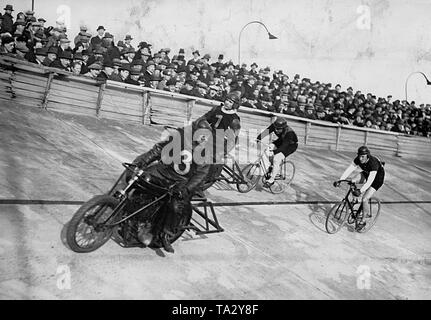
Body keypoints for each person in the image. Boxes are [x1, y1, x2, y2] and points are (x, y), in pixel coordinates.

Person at [130, 119, 213, 253]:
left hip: (181, 181)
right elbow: (158, 150)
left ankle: (165, 234)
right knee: (137, 178)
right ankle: (126, 207)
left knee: (175, 206)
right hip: (163, 171)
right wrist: (142, 161)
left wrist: (186, 189)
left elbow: (201, 175)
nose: (203, 137)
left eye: (206, 135)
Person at [334, 146, 385, 231]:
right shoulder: (358, 159)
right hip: (367, 173)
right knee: (352, 180)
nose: (360, 159)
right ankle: (355, 200)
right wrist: (340, 180)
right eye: (359, 156)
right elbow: (349, 169)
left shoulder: (373, 163)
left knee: (365, 199)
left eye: (363, 157)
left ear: (367, 156)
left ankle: (363, 221)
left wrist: (361, 191)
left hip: (377, 179)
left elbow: (370, 181)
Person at [256, 117, 298, 187]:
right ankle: (270, 167)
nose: (276, 130)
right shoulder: (275, 126)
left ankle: (271, 180)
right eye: (275, 128)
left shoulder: (289, 133)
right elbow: (266, 131)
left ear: (283, 128)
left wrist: (274, 152)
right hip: (281, 141)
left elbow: (283, 147)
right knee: (267, 150)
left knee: (276, 158)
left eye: (278, 129)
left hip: (290, 145)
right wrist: (258, 138)